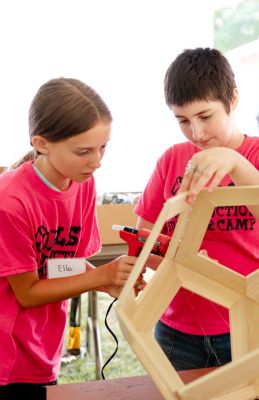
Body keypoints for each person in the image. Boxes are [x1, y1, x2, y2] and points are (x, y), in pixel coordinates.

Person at [134, 47, 259, 370]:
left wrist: (235, 163)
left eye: (205, 117)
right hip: (178, 330)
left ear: (233, 100)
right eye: (182, 120)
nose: (196, 133)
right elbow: (145, 238)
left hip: (253, 320)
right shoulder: (171, 159)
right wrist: (178, 261)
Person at [0, 78, 138, 399]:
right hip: (7, 355)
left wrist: (105, 280)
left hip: (43, 346)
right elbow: (28, 293)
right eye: (83, 151)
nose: (97, 161)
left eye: (103, 147)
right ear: (42, 143)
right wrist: (99, 275)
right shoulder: (10, 202)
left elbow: (66, 264)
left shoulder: (83, 182)